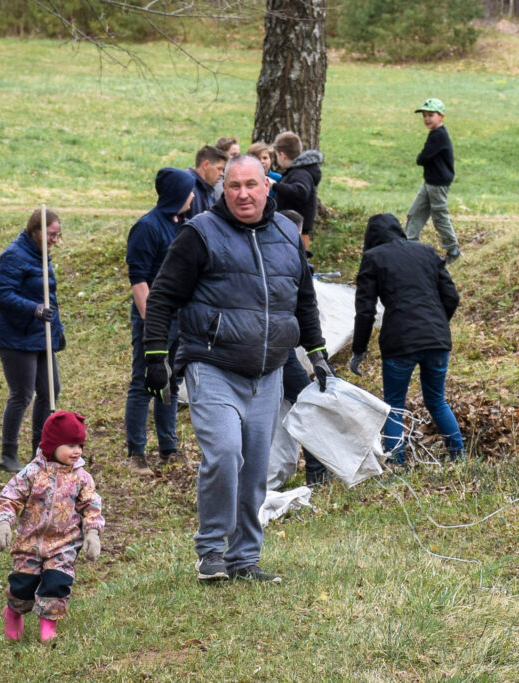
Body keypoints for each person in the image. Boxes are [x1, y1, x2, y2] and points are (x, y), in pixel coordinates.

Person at [142, 154, 333, 583]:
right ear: (221, 190)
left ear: (268, 185)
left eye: (251, 184)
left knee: (255, 468)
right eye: (233, 186)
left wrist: (317, 350)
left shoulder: (287, 231)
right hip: (213, 364)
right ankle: (211, 550)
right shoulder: (200, 234)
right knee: (226, 453)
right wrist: (155, 356)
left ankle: (245, 558)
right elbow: (163, 296)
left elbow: (302, 297)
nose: (243, 194)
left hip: (268, 370)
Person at [350, 213, 464, 464]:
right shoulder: (426, 251)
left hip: (399, 341)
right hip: (436, 339)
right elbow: (452, 297)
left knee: (394, 406)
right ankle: (459, 456)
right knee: (436, 400)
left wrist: (359, 350)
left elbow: (365, 310)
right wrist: (435, 325)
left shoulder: (373, 258)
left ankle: (397, 463)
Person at [0, 410, 104, 643]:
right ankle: (13, 612)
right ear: (52, 445)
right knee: (22, 586)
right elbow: (10, 497)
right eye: (70, 445)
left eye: (80, 445)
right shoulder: (32, 473)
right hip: (29, 542)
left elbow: (91, 505)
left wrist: (93, 533)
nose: (77, 451)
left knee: (57, 582)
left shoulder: (82, 478)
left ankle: (48, 626)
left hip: (64, 543)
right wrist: (4, 523)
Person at [124, 168, 196, 476]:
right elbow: (138, 280)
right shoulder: (146, 227)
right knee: (145, 382)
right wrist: (152, 321)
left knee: (171, 383)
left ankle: (169, 448)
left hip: (179, 319)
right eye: (188, 191)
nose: (193, 197)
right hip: (153, 320)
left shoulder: (179, 225)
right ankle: (136, 453)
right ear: (176, 195)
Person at [0, 209, 66, 472]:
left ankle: (40, 450)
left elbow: (49, 296)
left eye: (58, 235)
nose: (55, 240)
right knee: (22, 394)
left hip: (41, 334)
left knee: (51, 390)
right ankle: (8, 453)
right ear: (35, 231)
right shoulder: (14, 256)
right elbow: (2, 294)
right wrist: (33, 309)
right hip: (16, 335)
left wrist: (56, 329)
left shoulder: (42, 254)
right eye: (51, 234)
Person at [276, 209, 333, 487]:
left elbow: (306, 305)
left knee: (305, 402)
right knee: (306, 403)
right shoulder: (277, 253)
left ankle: (316, 469)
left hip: (281, 349)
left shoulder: (290, 257)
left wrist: (317, 352)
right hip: (267, 350)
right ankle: (316, 470)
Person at [404, 98, 461, 264]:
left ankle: (453, 250)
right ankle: (409, 245)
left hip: (438, 183)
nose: (427, 119)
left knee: (439, 216)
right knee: (415, 212)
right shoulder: (435, 134)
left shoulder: (439, 136)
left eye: (431, 115)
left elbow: (424, 157)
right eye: (424, 116)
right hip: (430, 182)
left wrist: (420, 158)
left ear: (441, 116)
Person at [273, 131, 323, 252]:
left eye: (276, 155)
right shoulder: (297, 172)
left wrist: (275, 186)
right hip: (293, 228)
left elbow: (301, 192)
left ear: (282, 155)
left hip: (297, 230)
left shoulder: (300, 173)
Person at [186, 145, 227, 218]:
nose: (222, 174)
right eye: (219, 169)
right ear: (206, 165)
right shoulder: (187, 187)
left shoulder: (208, 189)